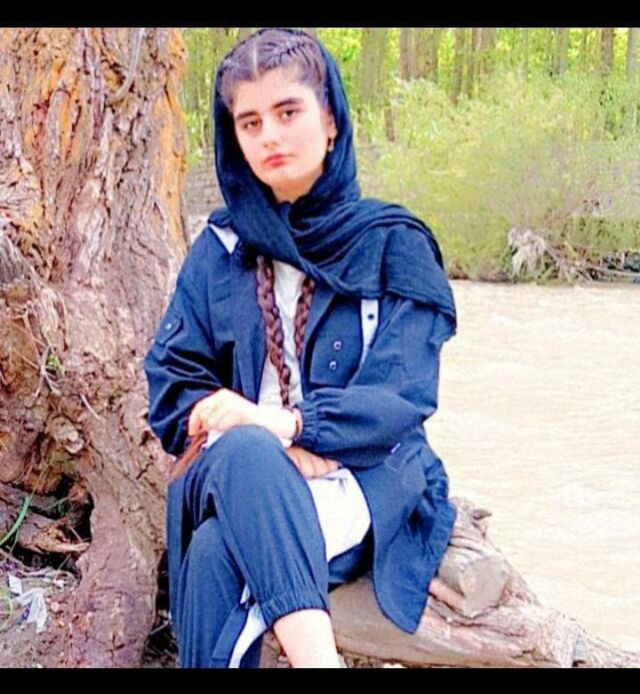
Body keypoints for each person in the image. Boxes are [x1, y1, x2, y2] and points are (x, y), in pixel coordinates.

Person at [143, 27, 459, 669]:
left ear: (331, 121)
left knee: (215, 552)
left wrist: (295, 426)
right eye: (250, 122)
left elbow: (401, 397)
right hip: (235, 468)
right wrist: (263, 438)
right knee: (248, 454)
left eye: (288, 112)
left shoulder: (393, 245)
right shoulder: (220, 251)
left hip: (359, 474)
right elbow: (172, 386)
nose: (270, 136)